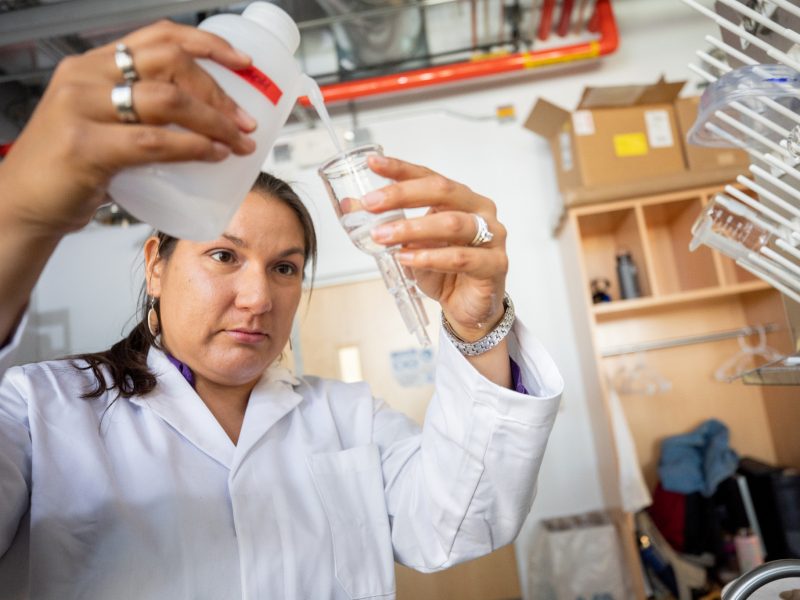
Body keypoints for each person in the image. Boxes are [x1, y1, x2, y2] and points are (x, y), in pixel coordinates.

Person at [0, 18, 563, 600]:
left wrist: (477, 325)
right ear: (156, 266)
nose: (259, 297)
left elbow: (460, 524)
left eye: (285, 268)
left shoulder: (348, 418)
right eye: (224, 255)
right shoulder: (39, 412)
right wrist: (14, 210)